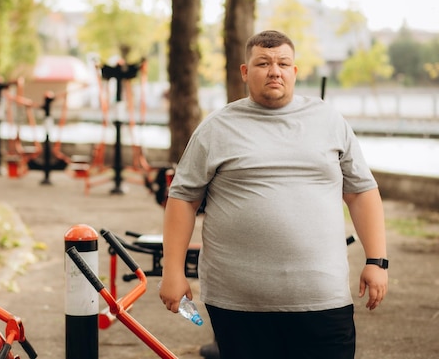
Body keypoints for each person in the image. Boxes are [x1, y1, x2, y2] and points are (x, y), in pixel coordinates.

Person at [159, 30, 388, 358]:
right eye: (263, 63)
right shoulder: (216, 128)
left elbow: (361, 191)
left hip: (322, 298)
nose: (274, 71)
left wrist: (377, 260)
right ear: (245, 72)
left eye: (283, 63)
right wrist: (172, 272)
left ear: (294, 72)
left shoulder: (328, 121)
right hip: (238, 304)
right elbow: (182, 199)